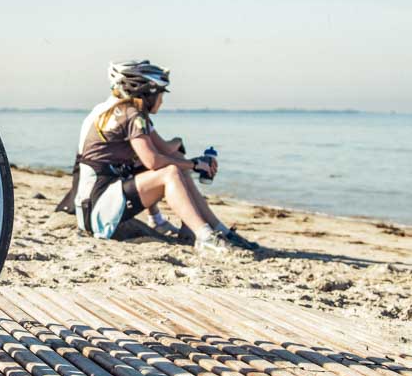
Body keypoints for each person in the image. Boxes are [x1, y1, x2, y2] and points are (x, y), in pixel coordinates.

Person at [61, 60, 262, 253]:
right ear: (147, 93)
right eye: (161, 93)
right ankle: (205, 236)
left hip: (98, 199)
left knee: (176, 164)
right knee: (170, 172)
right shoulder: (131, 114)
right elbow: (153, 161)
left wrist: (195, 160)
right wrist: (193, 164)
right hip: (97, 208)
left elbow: (165, 148)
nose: (162, 100)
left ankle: (215, 230)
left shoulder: (123, 110)